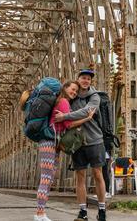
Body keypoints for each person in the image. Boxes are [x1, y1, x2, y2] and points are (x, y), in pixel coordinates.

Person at [34, 80, 96, 221]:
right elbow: (69, 124)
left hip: (52, 143)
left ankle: (41, 213)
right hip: (49, 142)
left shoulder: (61, 101)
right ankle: (39, 214)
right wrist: (87, 118)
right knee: (46, 179)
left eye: (75, 91)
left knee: (48, 179)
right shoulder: (63, 101)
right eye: (72, 89)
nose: (74, 92)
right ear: (65, 87)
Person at [54, 69, 107, 221]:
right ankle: (82, 212)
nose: (86, 81)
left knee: (98, 174)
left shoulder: (94, 96)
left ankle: (102, 210)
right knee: (80, 177)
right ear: (78, 79)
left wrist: (65, 116)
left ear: (91, 82)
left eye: (88, 79)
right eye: (83, 78)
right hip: (77, 143)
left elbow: (86, 112)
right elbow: (67, 121)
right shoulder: (72, 97)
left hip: (95, 140)